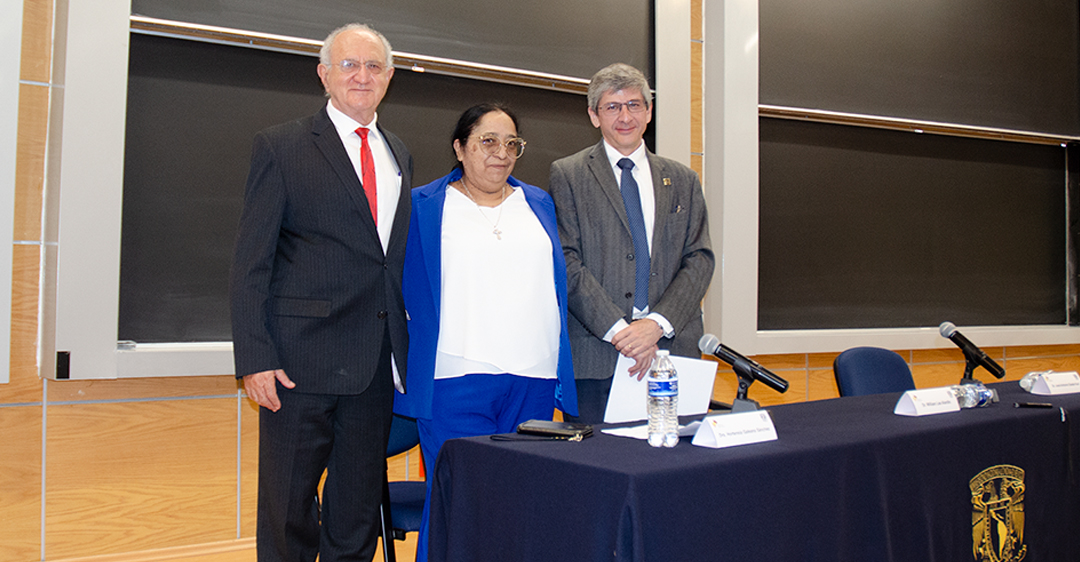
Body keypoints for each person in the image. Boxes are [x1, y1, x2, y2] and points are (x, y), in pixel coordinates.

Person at [229, 23, 412, 562]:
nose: (362, 76)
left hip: (375, 365)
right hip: (296, 366)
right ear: (324, 74)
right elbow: (250, 264)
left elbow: (387, 261)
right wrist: (254, 358)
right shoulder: (281, 145)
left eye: (374, 66)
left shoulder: (398, 151)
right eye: (349, 65)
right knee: (288, 514)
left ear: (389, 78)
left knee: (355, 516)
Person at [394, 103, 578, 561]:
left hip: (534, 378)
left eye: (511, 143)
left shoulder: (539, 203)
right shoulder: (422, 207)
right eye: (487, 141)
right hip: (454, 380)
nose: (501, 153)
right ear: (460, 148)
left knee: (520, 505)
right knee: (459, 501)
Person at [548, 63, 714, 424]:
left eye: (635, 105)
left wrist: (655, 324)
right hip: (598, 357)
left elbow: (699, 258)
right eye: (612, 107)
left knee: (676, 472)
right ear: (594, 116)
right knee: (595, 473)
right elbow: (566, 260)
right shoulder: (568, 174)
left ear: (649, 111)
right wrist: (622, 332)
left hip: (672, 354)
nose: (625, 116)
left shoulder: (682, 179)